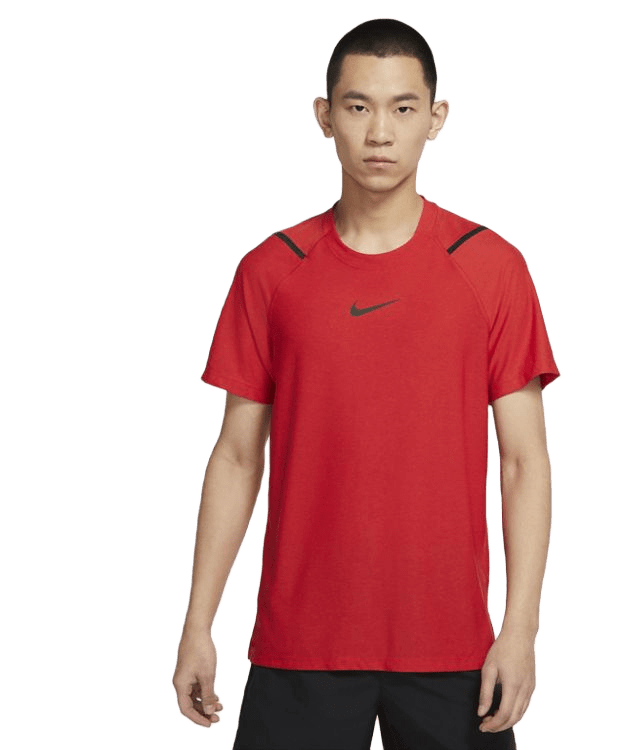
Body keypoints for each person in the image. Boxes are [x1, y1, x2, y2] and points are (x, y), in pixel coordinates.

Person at [171, 16, 562, 750]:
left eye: (402, 108)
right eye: (358, 106)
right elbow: (236, 456)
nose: (380, 132)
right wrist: (197, 624)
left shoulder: (491, 266)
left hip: (453, 648)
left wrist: (521, 631)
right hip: (300, 645)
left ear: (436, 119)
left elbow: (524, 460)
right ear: (325, 116)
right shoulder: (271, 269)